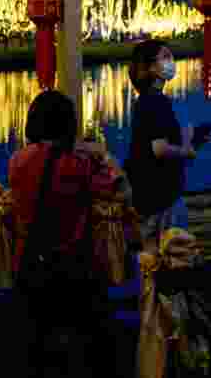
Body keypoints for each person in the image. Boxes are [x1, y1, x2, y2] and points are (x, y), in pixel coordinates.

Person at [9, 90, 129, 377]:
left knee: (37, 344)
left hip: (29, 265)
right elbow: (122, 191)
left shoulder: (18, 160)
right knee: (90, 346)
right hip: (74, 266)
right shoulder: (79, 164)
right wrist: (103, 155)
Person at [124, 39, 201, 252]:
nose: (171, 61)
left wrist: (186, 140)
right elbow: (159, 148)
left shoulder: (145, 101)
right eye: (165, 57)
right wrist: (185, 149)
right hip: (161, 196)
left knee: (150, 254)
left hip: (146, 195)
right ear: (150, 68)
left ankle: (150, 283)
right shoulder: (156, 102)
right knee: (172, 251)